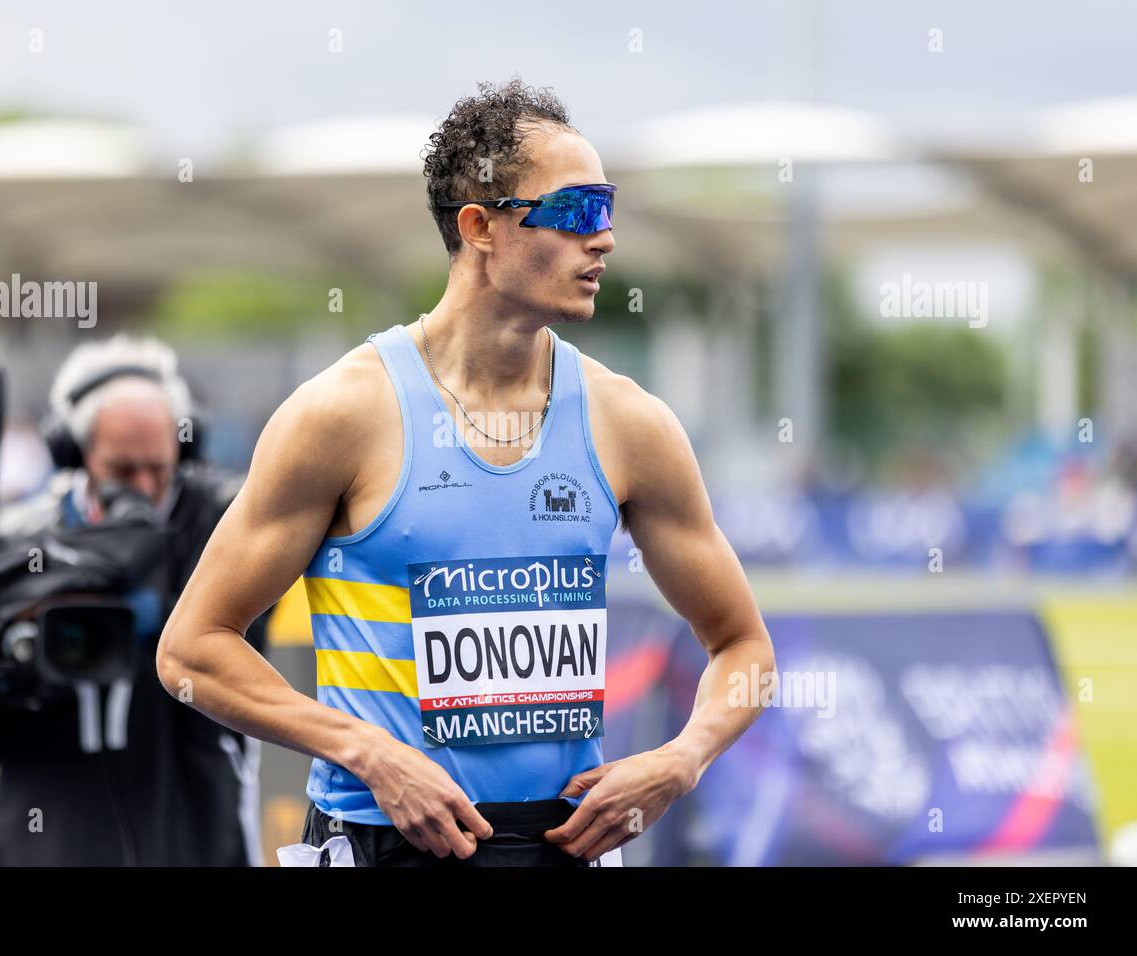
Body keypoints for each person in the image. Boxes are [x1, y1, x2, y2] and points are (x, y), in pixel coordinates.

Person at [157, 78, 775, 867]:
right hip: (386, 839)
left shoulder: (630, 424)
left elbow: (744, 647)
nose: (606, 238)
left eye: (609, 208)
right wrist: (368, 753)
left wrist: (682, 760)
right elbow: (191, 650)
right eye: (578, 210)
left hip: (563, 844)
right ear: (480, 227)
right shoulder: (342, 414)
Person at [0, 334, 268, 866]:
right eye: (122, 471)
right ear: (74, 451)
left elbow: (226, 663)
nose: (144, 487)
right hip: (49, 835)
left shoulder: (218, 524)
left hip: (189, 829)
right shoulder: (25, 539)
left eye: (158, 467)